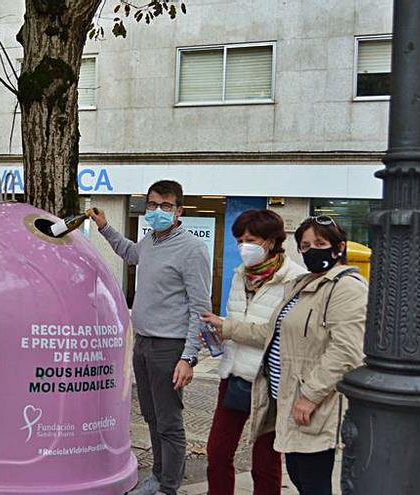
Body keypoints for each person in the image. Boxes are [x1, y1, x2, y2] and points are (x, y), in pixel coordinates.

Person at [202, 215, 367, 495]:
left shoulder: (337, 285)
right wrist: (226, 329)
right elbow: (273, 331)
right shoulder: (296, 284)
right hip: (259, 384)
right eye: (305, 245)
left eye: (320, 243)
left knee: (292, 471)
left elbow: (347, 350)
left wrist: (310, 395)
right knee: (288, 471)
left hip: (294, 393)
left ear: (338, 248)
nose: (312, 249)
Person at [89, 180, 211, 495]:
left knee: (169, 423)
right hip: (143, 344)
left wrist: (188, 356)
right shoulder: (151, 240)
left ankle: (168, 486)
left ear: (179, 210)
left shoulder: (192, 249)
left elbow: (201, 308)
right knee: (152, 417)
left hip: (168, 348)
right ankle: (158, 476)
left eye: (166, 206)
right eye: (153, 205)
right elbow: (130, 253)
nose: (158, 211)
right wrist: (104, 228)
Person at [206, 210, 306, 495]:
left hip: (269, 381)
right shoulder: (241, 276)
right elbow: (236, 320)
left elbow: (279, 334)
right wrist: (218, 334)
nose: (243, 246)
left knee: (265, 460)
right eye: (239, 239)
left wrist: (229, 328)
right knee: (218, 453)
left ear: (273, 241)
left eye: (250, 239)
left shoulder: (295, 280)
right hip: (233, 376)